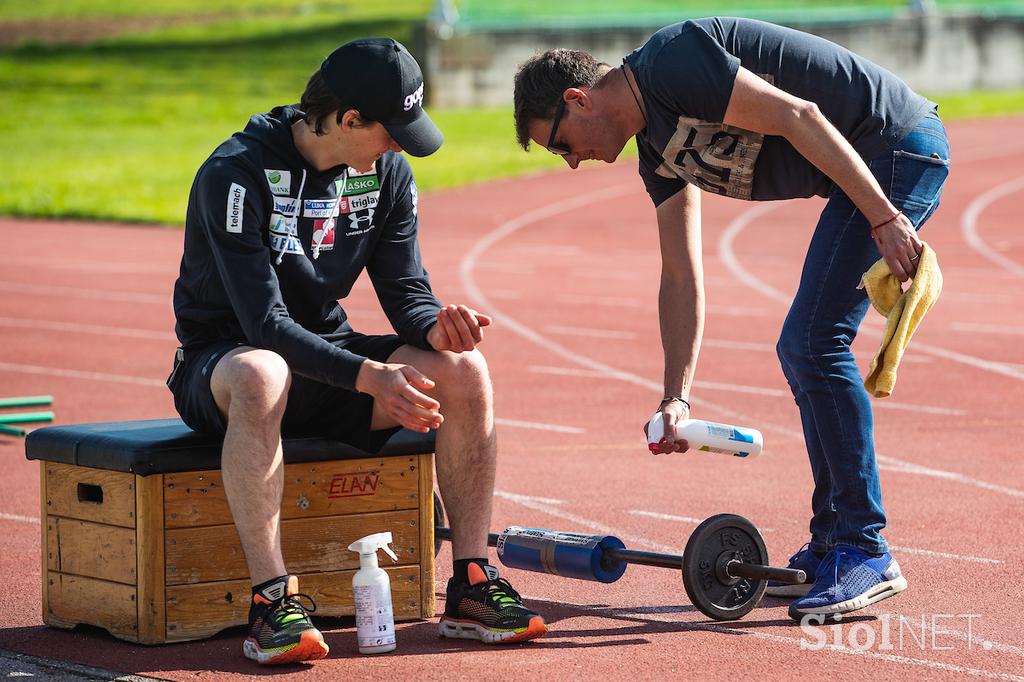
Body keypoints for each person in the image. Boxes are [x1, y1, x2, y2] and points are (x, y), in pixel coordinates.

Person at [513, 18, 949, 621]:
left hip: (896, 147)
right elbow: (680, 275)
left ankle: (863, 548)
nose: (569, 163)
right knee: (806, 345)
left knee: (814, 342)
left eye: (559, 143)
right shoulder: (657, 152)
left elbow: (800, 117)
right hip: (876, 165)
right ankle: (832, 546)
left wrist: (884, 218)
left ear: (577, 99)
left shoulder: (670, 62)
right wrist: (677, 398)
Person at [169, 37, 547, 665]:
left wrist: (437, 328)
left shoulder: (389, 173)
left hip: (325, 358)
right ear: (348, 120)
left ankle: (472, 584)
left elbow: (405, 290)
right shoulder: (233, 174)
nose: (400, 146)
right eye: (391, 131)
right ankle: (271, 604)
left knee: (465, 372)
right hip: (226, 362)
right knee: (264, 373)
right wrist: (370, 376)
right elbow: (263, 324)